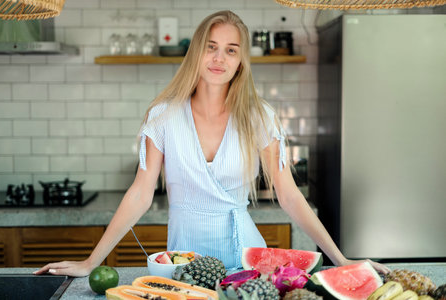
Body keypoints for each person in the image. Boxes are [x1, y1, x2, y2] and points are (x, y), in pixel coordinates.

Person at [35, 10, 389, 277]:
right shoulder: (163, 116)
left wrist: (340, 260)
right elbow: (141, 193)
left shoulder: (258, 115)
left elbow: (289, 194)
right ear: (196, 54)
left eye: (231, 50)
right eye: (211, 48)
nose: (220, 58)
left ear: (240, 62)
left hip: (245, 257)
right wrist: (90, 261)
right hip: (182, 259)